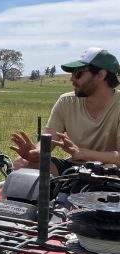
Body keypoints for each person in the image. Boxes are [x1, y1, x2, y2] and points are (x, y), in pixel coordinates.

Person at [11, 47, 120, 175]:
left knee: (109, 170)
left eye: (78, 73)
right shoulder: (66, 102)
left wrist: (82, 153)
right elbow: (49, 141)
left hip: (111, 170)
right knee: (21, 164)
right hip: (75, 167)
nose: (72, 79)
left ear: (101, 75)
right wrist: (36, 152)